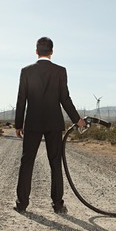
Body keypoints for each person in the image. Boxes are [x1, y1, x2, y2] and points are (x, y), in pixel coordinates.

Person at [14, 37, 86, 214]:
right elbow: (64, 98)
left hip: (32, 123)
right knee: (55, 163)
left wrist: (18, 124)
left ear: (36, 51)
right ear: (52, 52)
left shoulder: (26, 71)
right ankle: (58, 205)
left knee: (27, 162)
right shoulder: (60, 71)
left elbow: (21, 99)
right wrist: (77, 119)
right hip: (54, 123)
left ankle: (22, 204)